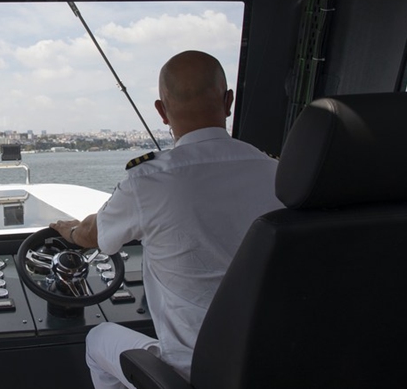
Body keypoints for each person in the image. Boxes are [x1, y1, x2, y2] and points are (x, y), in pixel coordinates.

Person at [50, 50, 283, 388]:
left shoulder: (149, 181)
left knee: (98, 339)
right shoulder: (277, 174)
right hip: (268, 368)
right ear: (228, 101)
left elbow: (94, 235)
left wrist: (67, 231)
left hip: (194, 374)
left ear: (161, 111)